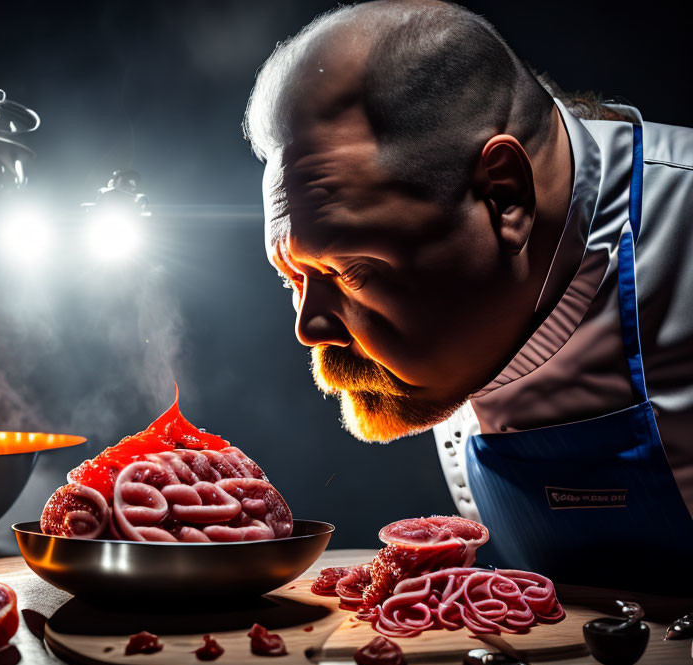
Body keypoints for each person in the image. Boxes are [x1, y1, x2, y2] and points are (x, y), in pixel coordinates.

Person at [244, 0, 693, 592]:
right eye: (294, 277)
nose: (310, 328)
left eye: (352, 270)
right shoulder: (459, 313)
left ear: (504, 197)